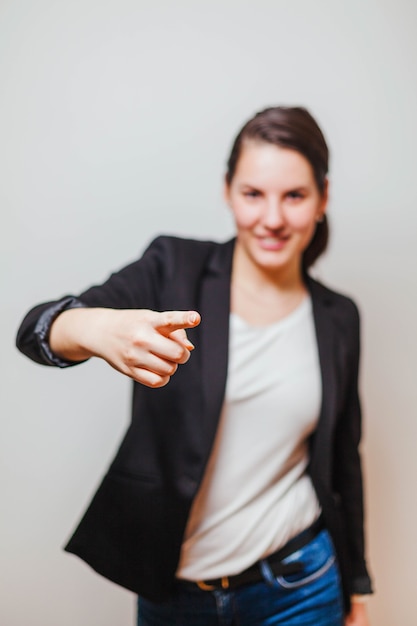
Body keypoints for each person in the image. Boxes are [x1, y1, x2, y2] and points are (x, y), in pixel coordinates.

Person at [16, 106, 373, 625]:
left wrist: (356, 593)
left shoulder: (339, 317)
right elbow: (35, 330)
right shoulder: (172, 268)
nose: (272, 218)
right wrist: (92, 329)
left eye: (294, 195)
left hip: (303, 583)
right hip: (175, 595)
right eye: (253, 194)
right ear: (228, 191)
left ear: (323, 197)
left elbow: (345, 461)